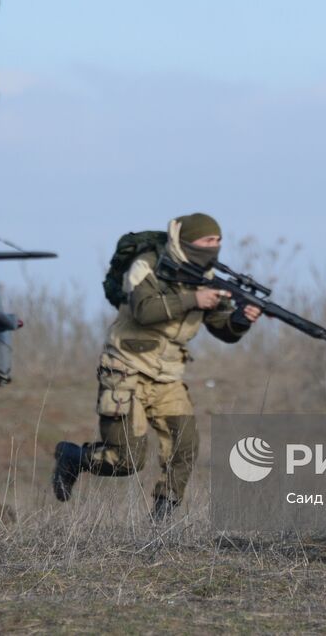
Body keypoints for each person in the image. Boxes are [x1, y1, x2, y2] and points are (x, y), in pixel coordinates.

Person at [52, 213, 261, 520]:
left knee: (185, 446)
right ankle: (74, 457)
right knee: (127, 459)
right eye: (207, 240)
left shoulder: (207, 276)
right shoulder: (148, 264)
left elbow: (223, 330)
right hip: (125, 369)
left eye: (218, 241)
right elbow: (144, 310)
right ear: (187, 240)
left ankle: (160, 522)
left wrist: (240, 320)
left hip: (168, 376)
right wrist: (193, 299)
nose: (214, 246)